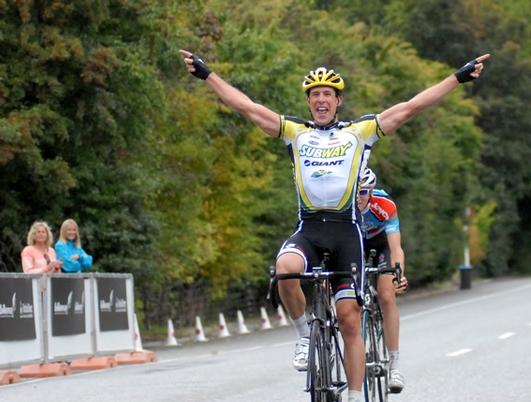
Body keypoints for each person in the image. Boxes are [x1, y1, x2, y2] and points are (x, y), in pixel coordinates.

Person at [179, 48, 489, 402]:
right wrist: (207, 75)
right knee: (284, 270)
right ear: (309, 102)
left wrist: (457, 78)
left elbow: (410, 107)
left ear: (338, 101)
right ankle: (303, 335)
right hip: (309, 229)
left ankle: (356, 395)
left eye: (328, 94)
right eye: (315, 95)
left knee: (350, 319)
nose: (321, 100)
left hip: (346, 233)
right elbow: (246, 106)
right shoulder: (295, 132)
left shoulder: (360, 132)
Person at [358, 167, 408, 393]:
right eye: (355, 193)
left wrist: (399, 274)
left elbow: (396, 248)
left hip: (381, 245)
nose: (359, 198)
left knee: (387, 296)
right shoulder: (342, 207)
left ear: (370, 191)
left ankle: (394, 363)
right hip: (356, 245)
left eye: (363, 192)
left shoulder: (384, 205)